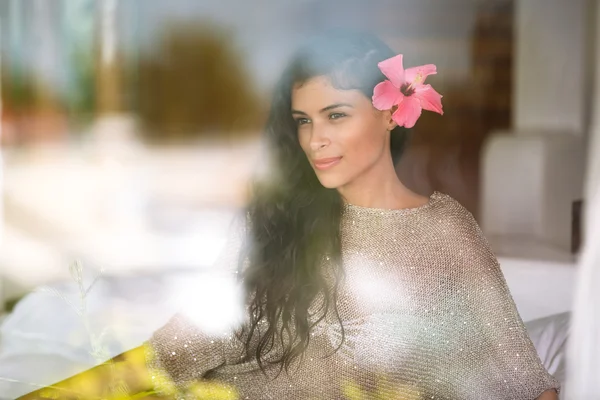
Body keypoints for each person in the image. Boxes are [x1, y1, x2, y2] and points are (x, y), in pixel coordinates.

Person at [19, 30, 559, 400]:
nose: (314, 140)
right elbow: (179, 348)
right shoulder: (277, 222)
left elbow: (525, 382)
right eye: (302, 120)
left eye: (335, 115)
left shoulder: (445, 231)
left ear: (394, 112)